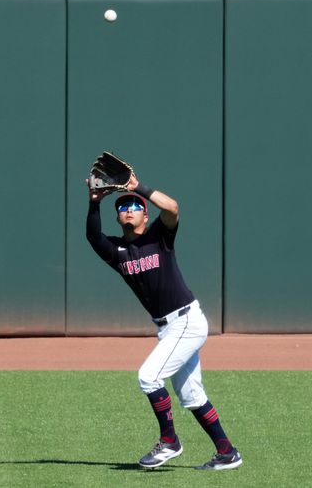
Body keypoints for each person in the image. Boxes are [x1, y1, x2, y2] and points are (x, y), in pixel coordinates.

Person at [85, 174, 242, 470]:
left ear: (145, 214)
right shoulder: (118, 252)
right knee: (192, 395)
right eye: (122, 207)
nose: (128, 208)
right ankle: (227, 452)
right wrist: (95, 203)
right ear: (118, 217)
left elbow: (172, 208)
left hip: (186, 320)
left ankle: (169, 441)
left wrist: (138, 188)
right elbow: (94, 237)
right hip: (168, 327)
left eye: (134, 205)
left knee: (148, 377)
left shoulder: (159, 236)